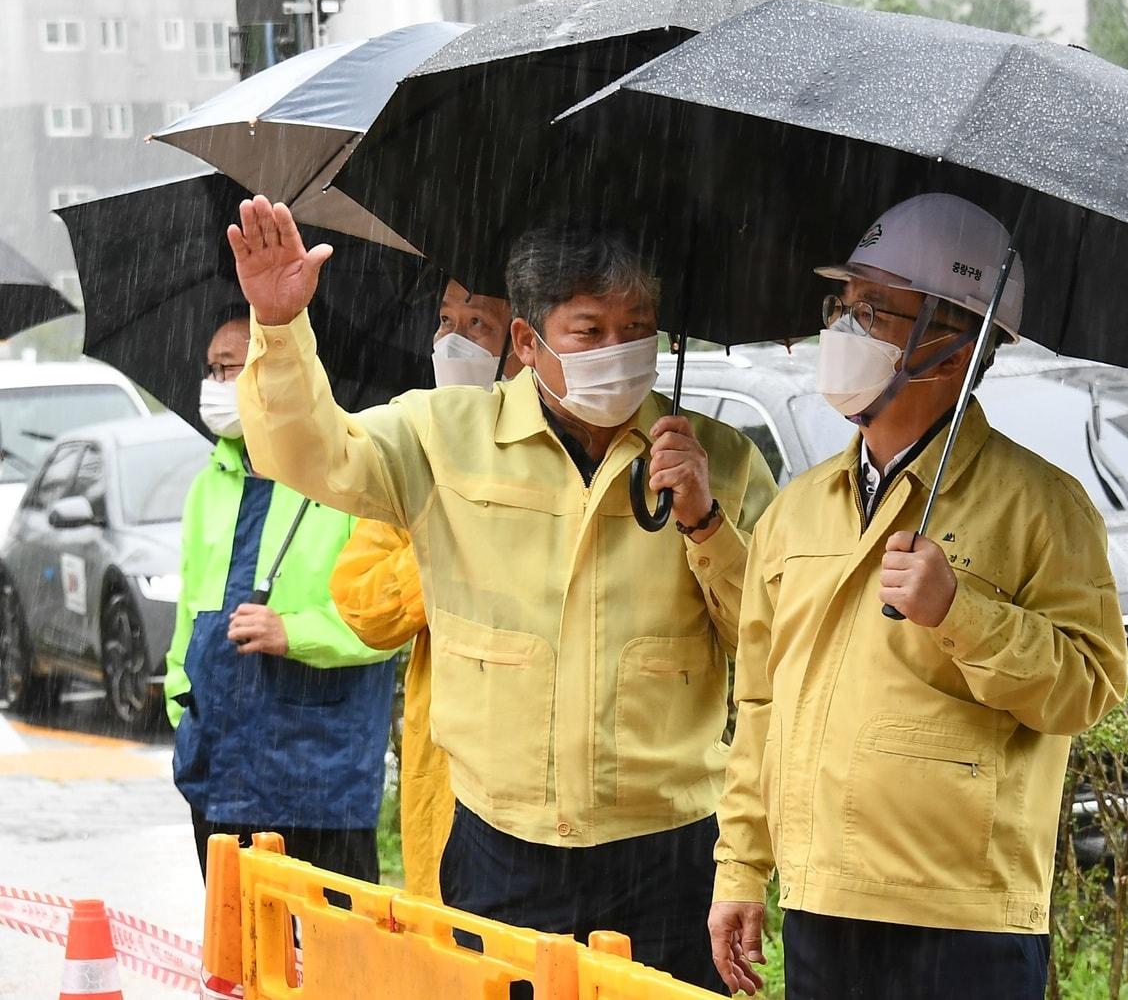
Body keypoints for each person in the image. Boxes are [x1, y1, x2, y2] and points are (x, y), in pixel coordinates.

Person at [227, 196, 778, 988]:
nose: (618, 350)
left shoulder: (716, 457)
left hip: (668, 844)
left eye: (637, 326)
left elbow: (764, 637)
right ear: (527, 339)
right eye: (590, 330)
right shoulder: (445, 434)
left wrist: (706, 522)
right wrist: (279, 330)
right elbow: (307, 454)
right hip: (501, 844)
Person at [707, 193, 1128, 999]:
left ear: (956, 341)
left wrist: (960, 614)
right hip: (823, 902)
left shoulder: (1042, 505)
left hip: (964, 920)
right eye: (844, 304)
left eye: (874, 310)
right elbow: (761, 703)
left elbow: (1089, 687)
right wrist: (740, 867)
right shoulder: (797, 509)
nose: (841, 330)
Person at [164, 311, 397, 883]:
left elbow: (387, 615)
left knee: (331, 957)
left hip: (319, 769)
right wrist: (183, 705)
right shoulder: (209, 483)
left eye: (234, 368)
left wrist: (294, 632)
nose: (219, 385)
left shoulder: (350, 476)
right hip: (218, 767)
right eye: (213, 370)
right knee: (237, 955)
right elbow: (189, 617)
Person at [330, 279, 517, 901]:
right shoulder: (414, 450)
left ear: (523, 344)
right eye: (444, 320)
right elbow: (365, 604)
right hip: (443, 763)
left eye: (477, 325)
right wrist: (442, 534)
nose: (453, 340)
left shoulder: (561, 459)